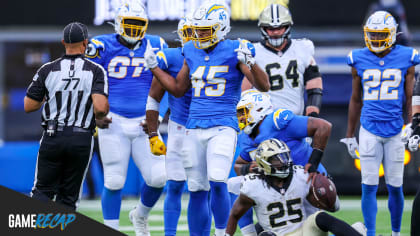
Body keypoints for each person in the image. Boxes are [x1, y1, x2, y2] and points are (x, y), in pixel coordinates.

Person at [143, 2, 270, 235]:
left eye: (205, 30)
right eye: (198, 29)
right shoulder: (190, 50)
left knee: (218, 181)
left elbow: (264, 86)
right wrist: (155, 69)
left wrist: (252, 62)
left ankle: (222, 233)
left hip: (223, 125)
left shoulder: (235, 49)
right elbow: (179, 89)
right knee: (196, 188)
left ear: (221, 29)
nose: (199, 35)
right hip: (193, 126)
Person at [85, 0, 168, 235]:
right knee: (114, 181)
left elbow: (167, 83)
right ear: (118, 24)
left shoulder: (156, 44)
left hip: (145, 123)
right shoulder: (101, 46)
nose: (133, 28)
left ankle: (139, 215)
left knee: (159, 178)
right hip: (113, 121)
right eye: (128, 23)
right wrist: (93, 115)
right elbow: (85, 82)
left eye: (138, 24)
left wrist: (157, 115)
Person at [340, 11, 419, 236]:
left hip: (395, 129)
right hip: (369, 129)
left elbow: (410, 96)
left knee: (395, 187)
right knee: (369, 185)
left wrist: (411, 125)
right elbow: (356, 98)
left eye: (380, 35)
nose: (375, 39)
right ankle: (372, 233)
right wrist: (349, 134)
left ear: (392, 34)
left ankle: (395, 233)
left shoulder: (407, 56)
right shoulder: (358, 58)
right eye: (372, 35)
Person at [24, 22, 109, 210]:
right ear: (85, 43)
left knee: (42, 192)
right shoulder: (95, 70)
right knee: (68, 198)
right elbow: (101, 109)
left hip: (53, 136)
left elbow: (29, 106)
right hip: (80, 137)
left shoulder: (47, 70)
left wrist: (51, 95)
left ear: (63, 42)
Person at [228, 90, 331, 235]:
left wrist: (313, 164)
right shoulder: (247, 138)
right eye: (240, 114)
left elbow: (324, 127)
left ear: (259, 110)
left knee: (311, 228)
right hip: (277, 183)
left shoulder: (277, 121)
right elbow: (238, 165)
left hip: (306, 179)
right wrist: (249, 170)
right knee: (235, 184)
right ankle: (249, 233)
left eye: (244, 113)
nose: (242, 118)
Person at [226, 138, 366, 236]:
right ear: (264, 163)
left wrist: (326, 195)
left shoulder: (301, 175)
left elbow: (333, 207)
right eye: (277, 159)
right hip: (277, 234)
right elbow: (234, 215)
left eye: (285, 156)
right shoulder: (253, 185)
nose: (284, 162)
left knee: (319, 217)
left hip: (306, 233)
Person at [145, 15, 202, 235]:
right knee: (175, 184)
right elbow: (154, 97)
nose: (193, 38)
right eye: (188, 33)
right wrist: (153, 133)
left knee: (203, 188)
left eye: (197, 31)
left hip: (207, 128)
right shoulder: (169, 57)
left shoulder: (219, 57)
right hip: (179, 127)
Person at [242, 4, 323, 118]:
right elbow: (244, 93)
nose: (275, 32)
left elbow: (314, 87)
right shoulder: (253, 52)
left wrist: (312, 116)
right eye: (271, 28)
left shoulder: (303, 47)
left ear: (287, 27)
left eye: (279, 28)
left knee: (322, 127)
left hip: (294, 118)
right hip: (264, 120)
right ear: (263, 29)